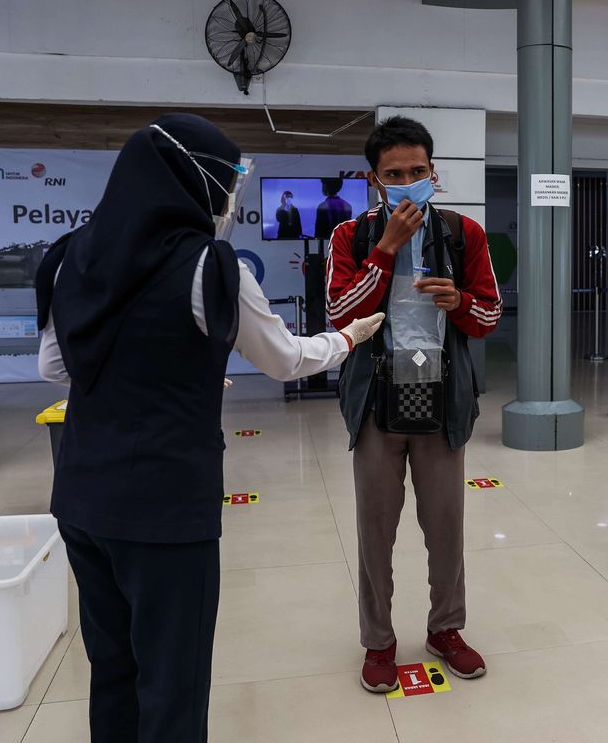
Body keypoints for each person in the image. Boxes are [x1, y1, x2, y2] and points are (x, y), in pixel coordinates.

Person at [35, 114, 383, 743]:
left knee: (112, 668)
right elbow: (283, 360)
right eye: (229, 184)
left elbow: (58, 366)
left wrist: (157, 375)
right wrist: (347, 338)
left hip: (82, 496)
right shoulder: (210, 266)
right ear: (195, 183)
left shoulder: (70, 258)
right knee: (174, 680)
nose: (229, 202)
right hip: (167, 507)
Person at [326, 115, 501, 693]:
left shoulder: (463, 233)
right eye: (393, 174)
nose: (407, 182)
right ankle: (378, 641)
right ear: (375, 181)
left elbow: (489, 316)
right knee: (375, 530)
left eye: (417, 171)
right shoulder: (349, 236)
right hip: (378, 402)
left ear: (434, 172)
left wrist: (458, 301)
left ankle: (446, 629)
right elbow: (340, 317)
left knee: (446, 525)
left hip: (442, 402)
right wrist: (385, 250)